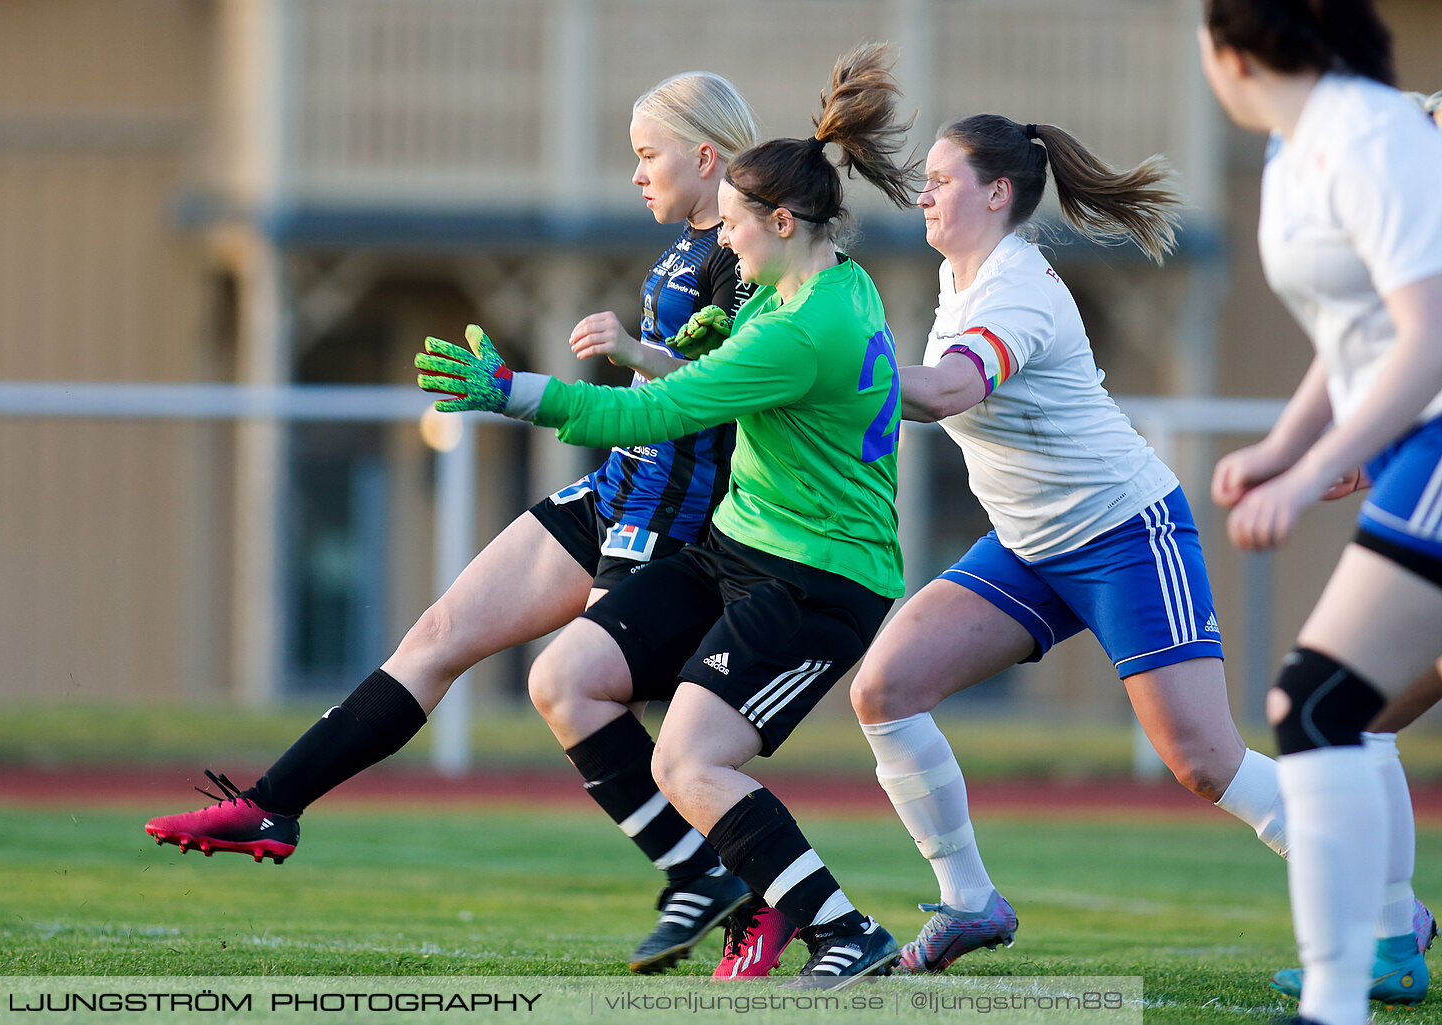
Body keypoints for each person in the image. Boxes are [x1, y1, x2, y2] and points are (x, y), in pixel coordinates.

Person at [143, 70, 758, 902]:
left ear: (706, 155)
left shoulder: (748, 251)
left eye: (648, 155)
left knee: (608, 711)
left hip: (677, 518)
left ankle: (739, 889)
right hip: (617, 489)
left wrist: (637, 354)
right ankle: (272, 804)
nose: (637, 173)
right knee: (437, 635)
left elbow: (728, 385)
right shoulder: (686, 242)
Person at [418, 42, 918, 988]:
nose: (721, 244)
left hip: (819, 580)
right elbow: (727, 347)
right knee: (566, 675)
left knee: (688, 761)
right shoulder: (823, 278)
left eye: (733, 225)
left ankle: (845, 932)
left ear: (780, 219)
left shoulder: (799, 330)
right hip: (740, 546)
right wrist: (689, 338)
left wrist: (514, 390)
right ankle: (716, 883)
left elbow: (656, 413)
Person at [827, 112, 1301, 979]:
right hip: (1029, 546)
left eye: (942, 177)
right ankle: (970, 904)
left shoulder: (1017, 288)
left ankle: (1383, 910)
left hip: (1124, 531)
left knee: (1202, 759)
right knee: (885, 688)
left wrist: (832, 370)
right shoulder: (956, 275)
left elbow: (946, 389)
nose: (924, 191)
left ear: (998, 193)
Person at [1197, 2, 1442, 1023]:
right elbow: (1357, 334)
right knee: (1340, 707)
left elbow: (1427, 339)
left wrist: (1310, 474)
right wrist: (1287, 448)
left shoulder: (1374, 133)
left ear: (1231, 50)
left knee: (1319, 701)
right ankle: (1364, 970)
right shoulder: (1300, 150)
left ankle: (1344, 993)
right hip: (1411, 445)